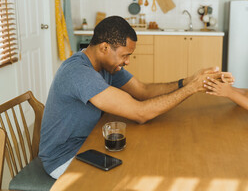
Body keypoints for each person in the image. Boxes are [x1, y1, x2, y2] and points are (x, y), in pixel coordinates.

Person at [39, 16, 233, 179]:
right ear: (105, 48)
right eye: (125, 55)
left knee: (149, 156)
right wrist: (191, 88)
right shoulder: (78, 72)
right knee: (138, 172)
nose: (128, 62)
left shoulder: (107, 65)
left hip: (90, 143)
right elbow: (140, 113)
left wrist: (187, 80)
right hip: (65, 159)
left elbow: (143, 91)